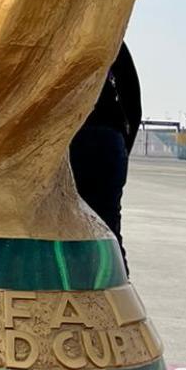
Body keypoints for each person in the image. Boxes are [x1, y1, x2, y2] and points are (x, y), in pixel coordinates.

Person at [69, 42, 140, 272]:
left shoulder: (52, 30)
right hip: (108, 138)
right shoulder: (111, 33)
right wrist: (121, 149)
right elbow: (133, 103)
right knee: (108, 227)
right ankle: (116, 297)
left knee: (62, 227)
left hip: (70, 137)